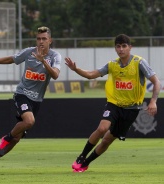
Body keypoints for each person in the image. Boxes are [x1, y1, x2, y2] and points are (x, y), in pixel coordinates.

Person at [65, 34, 161, 172]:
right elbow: (92, 74)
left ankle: (86, 163)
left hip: (131, 109)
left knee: (106, 141)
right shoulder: (112, 65)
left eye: (124, 46)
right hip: (114, 104)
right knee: (102, 128)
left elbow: (156, 82)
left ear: (130, 47)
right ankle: (81, 156)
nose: (121, 49)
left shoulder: (139, 63)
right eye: (118, 46)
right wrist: (76, 69)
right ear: (115, 48)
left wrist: (153, 101)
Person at [0, 26, 61, 174]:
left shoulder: (55, 56)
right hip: (22, 94)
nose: (41, 41)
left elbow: (56, 75)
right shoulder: (29, 52)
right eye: (38, 39)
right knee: (29, 121)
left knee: (16, 139)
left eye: (44, 39)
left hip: (36, 101)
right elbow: (10, 59)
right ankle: (6, 137)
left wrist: (43, 61)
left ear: (50, 40)